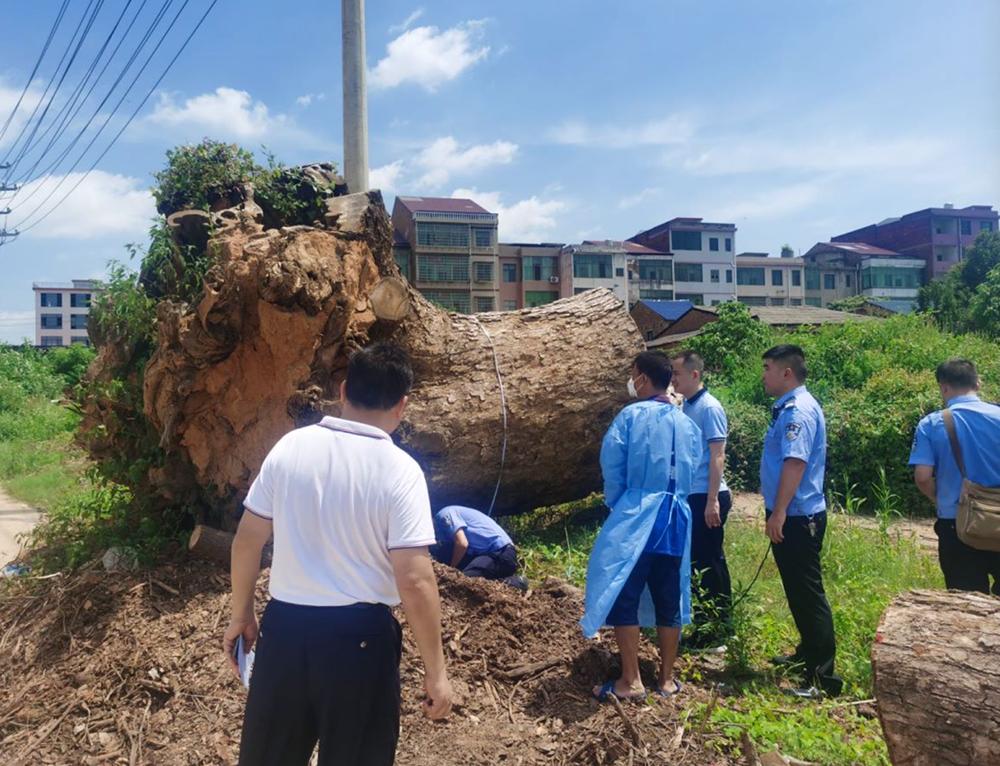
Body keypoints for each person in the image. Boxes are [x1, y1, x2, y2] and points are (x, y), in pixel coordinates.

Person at [223, 343, 453, 766]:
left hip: (286, 631)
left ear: (343, 390)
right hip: (359, 642)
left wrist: (242, 615)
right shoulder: (400, 471)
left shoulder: (290, 448)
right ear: (402, 405)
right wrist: (436, 671)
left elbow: (247, 540)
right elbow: (415, 579)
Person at [581, 351, 702, 701]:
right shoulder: (686, 423)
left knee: (623, 591)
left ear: (644, 379)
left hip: (638, 515)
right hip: (676, 518)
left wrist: (621, 505)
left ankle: (630, 681)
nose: (632, 382)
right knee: (669, 599)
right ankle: (666, 680)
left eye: (634, 375)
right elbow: (692, 472)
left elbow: (613, 465)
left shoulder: (631, 416)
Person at [760, 344, 842, 698]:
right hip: (791, 513)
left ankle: (823, 679)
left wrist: (778, 512)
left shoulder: (798, 412)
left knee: (808, 594)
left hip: (796, 515)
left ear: (786, 373)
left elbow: (795, 464)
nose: (763, 375)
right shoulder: (788, 408)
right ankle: (807, 653)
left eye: (767, 368)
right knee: (797, 591)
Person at [909, 358, 1000, 594]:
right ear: (977, 384)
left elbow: (922, 477)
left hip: (956, 524)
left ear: (944, 387)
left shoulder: (932, 424)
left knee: (964, 605)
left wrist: (940, 499)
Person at [671, 350, 733, 649]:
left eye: (678, 374)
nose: (673, 379)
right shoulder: (686, 406)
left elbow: (717, 455)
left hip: (708, 494)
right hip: (692, 493)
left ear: (694, 375)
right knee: (697, 560)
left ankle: (720, 629)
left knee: (710, 561)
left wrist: (712, 501)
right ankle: (705, 622)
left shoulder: (709, 407)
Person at [430, 505, 527, 589]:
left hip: (501, 552)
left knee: (466, 579)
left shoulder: (444, 514)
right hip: (486, 554)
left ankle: (517, 582)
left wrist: (451, 570)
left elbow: (462, 544)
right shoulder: (440, 530)